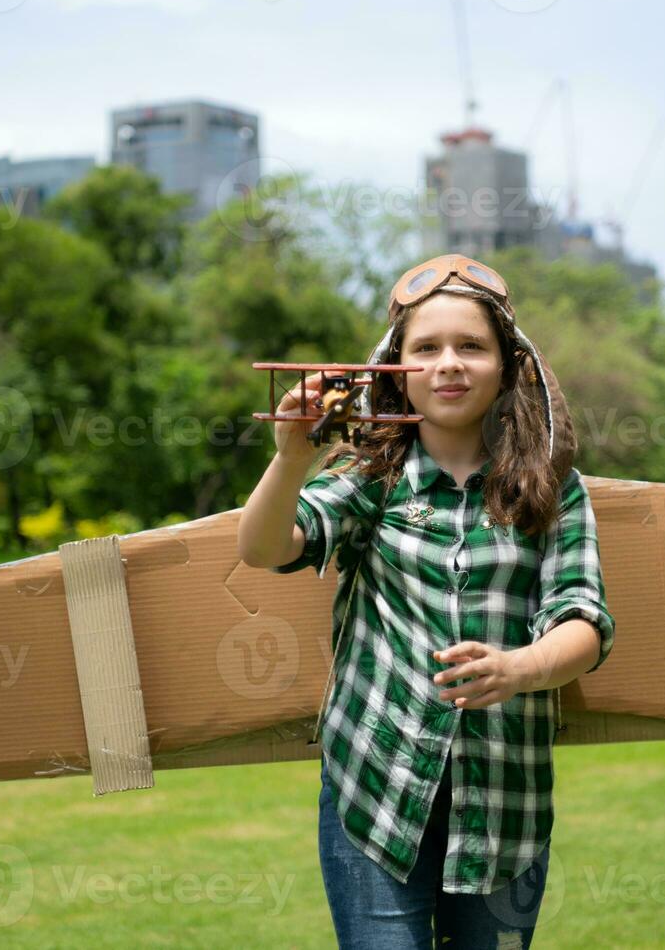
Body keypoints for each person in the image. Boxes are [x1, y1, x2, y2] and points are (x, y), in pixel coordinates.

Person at [236, 254, 616, 949]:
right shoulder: (371, 475)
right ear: (395, 366)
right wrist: (291, 456)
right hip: (374, 792)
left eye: (470, 346)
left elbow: (581, 618)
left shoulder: (550, 486)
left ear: (506, 366)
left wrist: (518, 670)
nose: (448, 364)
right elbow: (264, 548)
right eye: (427, 348)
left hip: (503, 802)